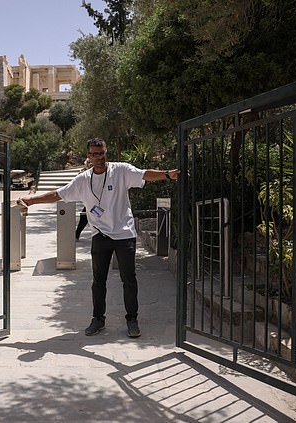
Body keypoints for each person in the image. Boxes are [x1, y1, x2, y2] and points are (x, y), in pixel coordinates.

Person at [17, 138, 179, 338]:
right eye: (94, 154)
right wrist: (32, 201)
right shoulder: (83, 180)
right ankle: (98, 319)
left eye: (101, 153)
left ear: (106, 152)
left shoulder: (120, 171)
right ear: (88, 156)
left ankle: (132, 319)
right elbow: (58, 194)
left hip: (124, 234)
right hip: (100, 236)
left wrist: (167, 175)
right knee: (98, 280)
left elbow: (144, 174)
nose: (99, 157)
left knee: (129, 279)